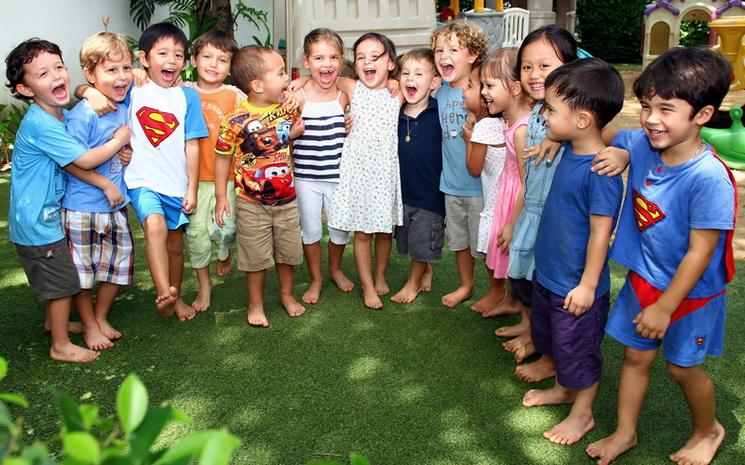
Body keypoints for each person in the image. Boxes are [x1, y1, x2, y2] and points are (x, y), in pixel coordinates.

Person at [587, 46, 735, 465]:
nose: (652, 118)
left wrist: (666, 308)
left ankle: (709, 431)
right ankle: (625, 433)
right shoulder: (645, 142)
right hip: (644, 279)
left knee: (682, 368)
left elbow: (700, 252)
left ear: (702, 116)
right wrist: (620, 151)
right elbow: (618, 136)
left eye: (667, 109)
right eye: (647, 106)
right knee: (635, 357)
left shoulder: (708, 179)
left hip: (690, 295)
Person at [520, 58, 625, 446]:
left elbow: (601, 233)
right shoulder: (569, 148)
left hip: (577, 289)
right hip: (550, 276)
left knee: (579, 351)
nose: (543, 114)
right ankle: (563, 390)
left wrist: (587, 285)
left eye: (550, 109)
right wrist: (552, 136)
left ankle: (582, 415)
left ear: (581, 120)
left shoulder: (600, 171)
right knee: (552, 339)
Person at [6, 38, 129, 363]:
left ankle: (53, 322)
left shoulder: (55, 114)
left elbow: (78, 93)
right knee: (62, 281)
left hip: (45, 215)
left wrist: (86, 91)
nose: (57, 76)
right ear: (26, 89)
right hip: (37, 222)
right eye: (43, 74)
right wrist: (119, 140)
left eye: (59, 67)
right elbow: (85, 161)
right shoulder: (42, 124)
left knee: (59, 275)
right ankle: (60, 344)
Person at [120, 23, 208, 321]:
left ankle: (176, 294)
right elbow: (96, 88)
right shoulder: (134, 89)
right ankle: (164, 294)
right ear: (144, 58)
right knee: (154, 225)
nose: (171, 60)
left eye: (178, 55)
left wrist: (192, 188)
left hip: (176, 184)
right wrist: (87, 91)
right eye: (163, 53)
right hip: (142, 180)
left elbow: (192, 145)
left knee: (174, 245)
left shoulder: (188, 97)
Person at [501, 26, 577, 371]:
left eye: (545, 66)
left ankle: (549, 356)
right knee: (525, 282)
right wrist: (514, 220)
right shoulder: (534, 112)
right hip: (532, 212)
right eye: (527, 66)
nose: (534, 74)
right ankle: (533, 333)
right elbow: (529, 179)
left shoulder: (574, 115)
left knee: (549, 290)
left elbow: (610, 135)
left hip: (557, 221)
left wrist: (619, 154)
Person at [214, 45, 305, 327]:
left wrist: (294, 98)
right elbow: (221, 157)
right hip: (251, 202)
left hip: (286, 200)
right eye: (279, 74)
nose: (286, 79)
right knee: (255, 257)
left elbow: (302, 98)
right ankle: (255, 304)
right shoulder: (235, 119)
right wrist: (220, 196)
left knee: (287, 253)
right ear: (256, 84)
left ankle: (287, 295)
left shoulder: (286, 110)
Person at [62, 32, 136, 350]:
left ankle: (100, 315)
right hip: (82, 206)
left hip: (115, 206)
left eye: (125, 68)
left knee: (117, 263)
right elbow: (70, 162)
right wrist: (117, 146)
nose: (121, 77)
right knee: (83, 271)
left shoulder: (125, 100)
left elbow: (144, 74)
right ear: (91, 75)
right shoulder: (84, 113)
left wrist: (127, 151)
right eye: (111, 70)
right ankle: (89, 325)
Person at [326, 32, 405, 310]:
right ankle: (367, 285)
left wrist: (397, 82)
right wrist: (297, 81)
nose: (367, 62)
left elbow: (424, 82)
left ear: (391, 63)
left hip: (385, 171)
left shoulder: (399, 92)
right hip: (357, 171)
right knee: (362, 233)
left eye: (376, 57)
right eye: (361, 57)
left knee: (384, 232)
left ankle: (380, 273)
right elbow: (322, 78)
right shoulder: (352, 86)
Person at [181, 30, 245, 312]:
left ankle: (224, 251)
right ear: (194, 60)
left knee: (226, 228)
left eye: (222, 60)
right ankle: (204, 285)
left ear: (231, 67)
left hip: (227, 180)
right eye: (206, 56)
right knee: (196, 234)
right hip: (192, 181)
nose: (213, 64)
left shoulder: (235, 96)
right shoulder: (183, 92)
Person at [291, 28, 354, 305]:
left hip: (339, 177)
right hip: (306, 178)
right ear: (307, 62)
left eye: (333, 57)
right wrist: (299, 82)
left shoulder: (345, 94)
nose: (326, 64)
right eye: (318, 58)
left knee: (340, 229)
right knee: (311, 230)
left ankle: (335, 269)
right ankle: (316, 278)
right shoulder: (298, 96)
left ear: (341, 61)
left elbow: (372, 86)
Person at [430, 20, 488, 309]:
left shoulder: (481, 89)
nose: (444, 56)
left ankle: (498, 290)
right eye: (439, 50)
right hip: (451, 183)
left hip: (481, 187)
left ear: (473, 55)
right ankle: (466, 284)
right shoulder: (438, 89)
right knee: (460, 241)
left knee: (485, 244)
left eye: (453, 49)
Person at [479, 48, 533, 320]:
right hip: (508, 195)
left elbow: (529, 183)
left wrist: (512, 223)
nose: (483, 92)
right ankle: (514, 303)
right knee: (511, 260)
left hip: (519, 202)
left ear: (514, 88)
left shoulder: (523, 129)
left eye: (489, 85)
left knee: (522, 262)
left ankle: (529, 326)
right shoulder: (508, 119)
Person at [390, 48, 444, 304]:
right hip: (403, 192)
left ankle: (413, 282)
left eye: (419, 73)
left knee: (423, 239)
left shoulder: (439, 112)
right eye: (406, 73)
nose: (410, 78)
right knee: (409, 241)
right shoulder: (396, 113)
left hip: (430, 194)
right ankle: (425, 269)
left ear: (434, 82)